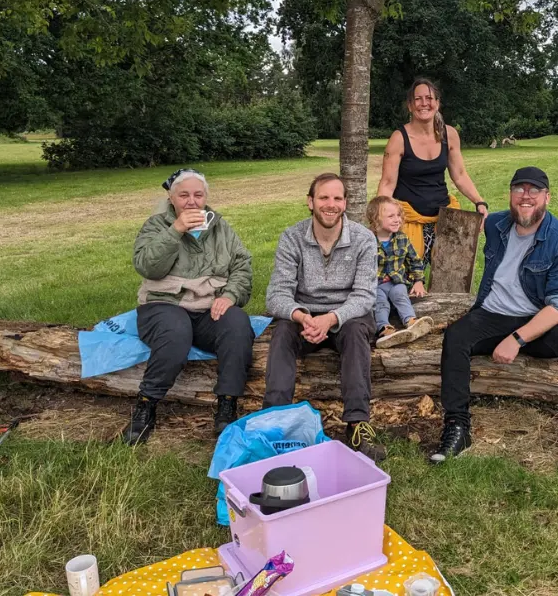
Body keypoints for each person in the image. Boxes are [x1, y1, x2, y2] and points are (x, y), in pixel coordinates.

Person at [431, 167, 558, 468]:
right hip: (493, 314)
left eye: (534, 190)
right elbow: (471, 226)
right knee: (456, 337)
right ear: (510, 195)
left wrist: (517, 339)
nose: (526, 196)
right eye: (519, 189)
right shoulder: (496, 224)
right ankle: (458, 426)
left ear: (547, 197)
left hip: (536, 320)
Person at [125, 168, 255, 445]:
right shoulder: (157, 226)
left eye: (198, 195)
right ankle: (146, 404)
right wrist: (176, 231)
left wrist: (230, 295)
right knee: (175, 332)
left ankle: (227, 406)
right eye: (184, 195)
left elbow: (242, 265)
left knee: (238, 326)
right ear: (172, 199)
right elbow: (148, 266)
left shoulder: (220, 227)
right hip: (164, 304)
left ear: (206, 197)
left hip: (209, 307)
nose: (192, 201)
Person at [264, 173, 385, 461]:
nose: (331, 205)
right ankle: (274, 421)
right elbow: (276, 295)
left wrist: (330, 319)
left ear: (345, 202)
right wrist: (302, 316)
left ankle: (357, 424)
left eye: (337, 198)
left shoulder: (363, 239)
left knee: (356, 333)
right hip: (305, 316)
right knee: (281, 333)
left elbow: (365, 296)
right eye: (323, 198)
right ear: (310, 202)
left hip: (347, 315)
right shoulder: (292, 237)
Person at [376, 78, 489, 266]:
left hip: (444, 216)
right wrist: (379, 217)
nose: (424, 103)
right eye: (418, 99)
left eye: (429, 98)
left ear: (437, 103)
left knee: (451, 279)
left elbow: (460, 175)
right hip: (408, 218)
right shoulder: (399, 138)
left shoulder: (449, 134)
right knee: (405, 281)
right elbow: (387, 183)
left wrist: (479, 201)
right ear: (410, 106)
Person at [365, 195, 434, 348]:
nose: (397, 219)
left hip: (397, 281)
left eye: (398, 215)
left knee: (401, 295)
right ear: (376, 220)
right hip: (375, 284)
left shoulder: (402, 238)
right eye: (391, 216)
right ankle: (385, 329)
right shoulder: (367, 240)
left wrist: (418, 281)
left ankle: (411, 322)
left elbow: (415, 261)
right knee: (380, 303)